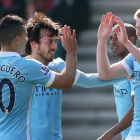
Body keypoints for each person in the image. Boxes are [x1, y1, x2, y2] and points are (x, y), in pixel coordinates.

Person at [25, 12, 127, 140]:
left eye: (56, 41)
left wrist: (127, 73)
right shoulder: (22, 69)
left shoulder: (59, 66)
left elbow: (89, 80)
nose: (54, 47)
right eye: (49, 42)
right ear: (33, 44)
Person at [0, 13, 78, 140]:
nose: (27, 40)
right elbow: (66, 82)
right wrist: (72, 52)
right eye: (25, 36)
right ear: (17, 39)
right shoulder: (28, 66)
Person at [96, 11, 140, 140]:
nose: (138, 33)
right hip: (134, 134)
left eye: (139, 28)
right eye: (137, 28)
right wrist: (101, 40)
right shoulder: (133, 58)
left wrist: (108, 135)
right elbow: (105, 74)